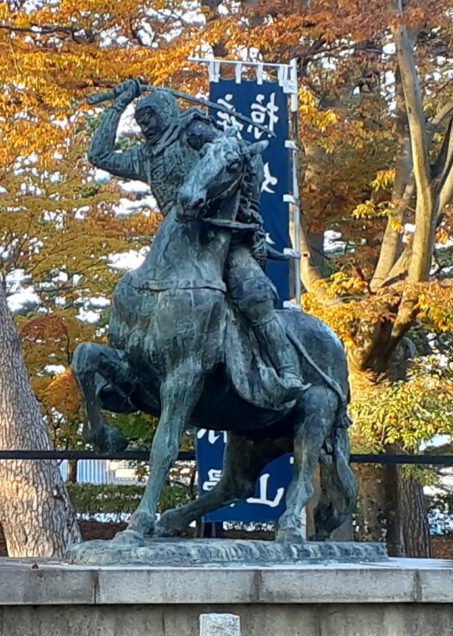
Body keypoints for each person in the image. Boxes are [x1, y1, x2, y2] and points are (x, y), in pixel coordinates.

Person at [88, 79, 307, 399]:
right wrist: (120, 104)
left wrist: (245, 211)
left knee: (252, 290)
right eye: (140, 120)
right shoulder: (145, 156)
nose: (144, 124)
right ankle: (130, 372)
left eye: (148, 115)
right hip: (176, 242)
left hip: (219, 235)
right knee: (133, 290)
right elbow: (100, 154)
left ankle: (288, 371)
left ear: (165, 110)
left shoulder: (192, 132)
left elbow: (239, 155)